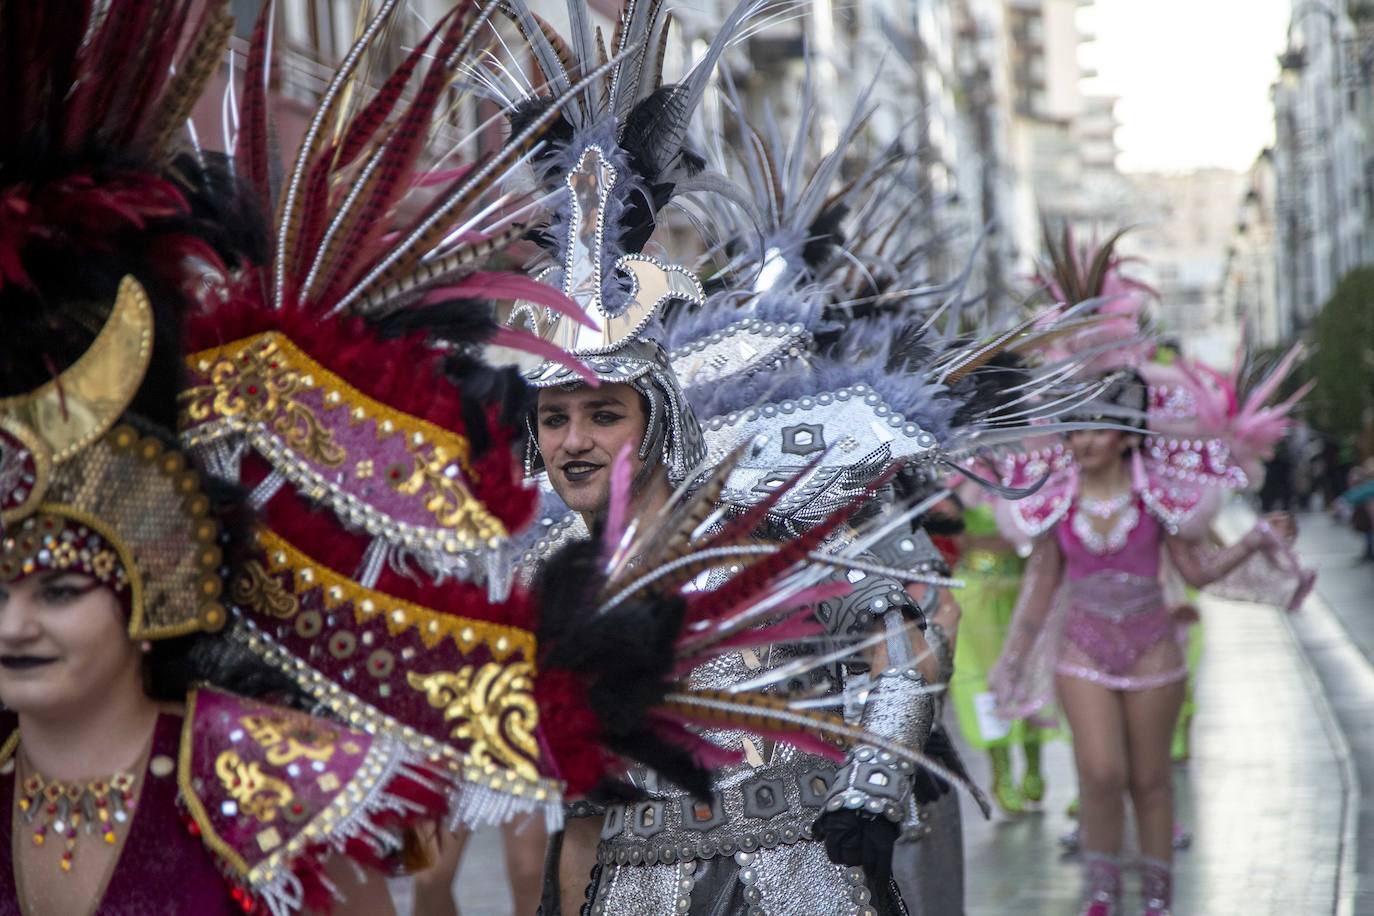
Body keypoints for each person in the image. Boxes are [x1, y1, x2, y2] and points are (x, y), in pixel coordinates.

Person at [990, 376, 1303, 916]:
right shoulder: (1057, 501)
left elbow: (1197, 573)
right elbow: (1040, 589)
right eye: (1074, 431)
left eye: (1096, 430)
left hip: (1153, 648)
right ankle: (1102, 894)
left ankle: (1159, 899)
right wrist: (1011, 662)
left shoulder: (1160, 498)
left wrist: (1255, 540)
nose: (1082, 443)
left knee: (1150, 780)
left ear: (1127, 437)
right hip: (1081, 651)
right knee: (1101, 772)